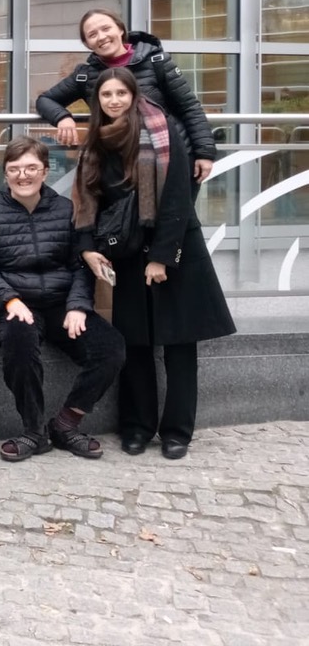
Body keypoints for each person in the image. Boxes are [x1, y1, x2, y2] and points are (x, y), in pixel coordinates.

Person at [73, 68, 235, 459]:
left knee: (179, 345)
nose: (114, 100)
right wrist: (87, 246)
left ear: (133, 95)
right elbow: (87, 198)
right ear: (97, 101)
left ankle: (177, 431)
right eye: (106, 94)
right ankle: (137, 426)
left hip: (173, 245)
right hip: (126, 250)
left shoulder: (163, 132)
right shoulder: (95, 141)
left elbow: (178, 195)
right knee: (135, 344)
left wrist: (162, 257)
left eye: (120, 93)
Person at [0, 136, 126, 463]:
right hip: (6, 305)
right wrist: (10, 299)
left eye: (31, 168)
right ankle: (34, 432)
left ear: (45, 171)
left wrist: (78, 305)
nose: (22, 175)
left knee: (111, 348)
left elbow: (80, 263)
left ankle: (66, 423)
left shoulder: (66, 210)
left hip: (59, 304)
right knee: (20, 339)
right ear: (5, 173)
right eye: (14, 169)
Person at [36, 9, 216, 187]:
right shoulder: (86, 75)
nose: (101, 37)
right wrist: (63, 118)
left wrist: (204, 153)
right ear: (87, 43)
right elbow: (45, 100)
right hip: (118, 165)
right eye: (92, 34)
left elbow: (189, 108)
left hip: (172, 158)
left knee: (173, 207)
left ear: (121, 29)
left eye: (106, 28)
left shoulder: (156, 62)